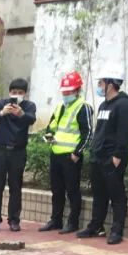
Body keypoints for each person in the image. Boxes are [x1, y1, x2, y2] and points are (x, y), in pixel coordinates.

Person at [78, 68, 128, 245]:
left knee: (116, 195)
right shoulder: (103, 105)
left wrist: (117, 156)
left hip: (112, 158)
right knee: (99, 194)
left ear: (111, 84)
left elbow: (124, 133)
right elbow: (100, 131)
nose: (100, 86)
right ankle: (96, 225)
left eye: (101, 83)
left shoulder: (123, 105)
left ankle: (117, 230)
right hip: (98, 157)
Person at [38, 72, 94, 234]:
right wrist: (50, 142)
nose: (66, 94)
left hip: (71, 157)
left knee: (72, 190)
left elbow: (88, 133)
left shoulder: (83, 107)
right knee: (56, 190)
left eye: (69, 92)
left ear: (77, 90)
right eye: (64, 92)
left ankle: (73, 222)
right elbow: (51, 127)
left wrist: (77, 153)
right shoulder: (60, 107)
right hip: (55, 154)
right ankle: (56, 220)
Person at [0, 78, 37, 232]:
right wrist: (2, 113)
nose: (17, 96)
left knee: (16, 187)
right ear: (9, 92)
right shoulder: (2, 103)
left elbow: (31, 120)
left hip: (18, 152)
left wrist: (21, 114)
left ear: (25, 94)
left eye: (20, 93)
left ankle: (14, 220)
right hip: (0, 150)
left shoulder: (29, 106)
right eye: (14, 92)